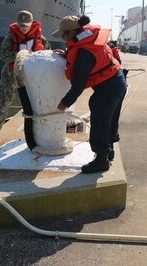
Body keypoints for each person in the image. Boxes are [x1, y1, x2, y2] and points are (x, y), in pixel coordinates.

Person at [53, 15, 127, 174]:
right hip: (118, 80)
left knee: (100, 117)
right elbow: (87, 56)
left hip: (110, 87)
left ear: (72, 32)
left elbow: (78, 85)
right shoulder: (88, 40)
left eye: (64, 35)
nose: (63, 38)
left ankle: (101, 160)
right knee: (109, 118)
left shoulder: (84, 53)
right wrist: (68, 54)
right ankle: (109, 151)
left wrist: (64, 103)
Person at [0, 10, 49, 146]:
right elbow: (3, 55)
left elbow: (46, 52)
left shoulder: (40, 38)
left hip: (30, 74)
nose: (23, 28)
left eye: (26, 25)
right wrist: (21, 54)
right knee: (4, 101)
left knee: (34, 102)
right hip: (10, 73)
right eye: (21, 25)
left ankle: (36, 131)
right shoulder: (10, 38)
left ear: (31, 24)